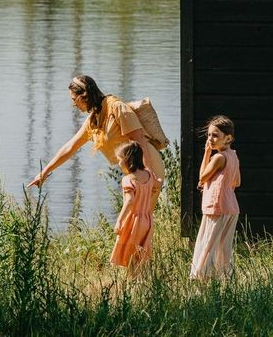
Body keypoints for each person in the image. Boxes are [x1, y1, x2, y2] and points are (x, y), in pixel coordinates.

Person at [27, 75, 165, 190]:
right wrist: (44, 173)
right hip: (134, 171)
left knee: (138, 218)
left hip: (148, 165)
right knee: (135, 220)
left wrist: (149, 175)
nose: (74, 104)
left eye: (74, 99)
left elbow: (139, 140)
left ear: (84, 95)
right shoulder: (94, 121)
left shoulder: (116, 107)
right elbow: (70, 148)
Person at [189, 115, 240, 282]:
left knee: (208, 245)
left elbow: (203, 177)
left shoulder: (218, 157)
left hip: (216, 206)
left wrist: (206, 153)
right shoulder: (233, 156)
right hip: (231, 207)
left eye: (215, 135)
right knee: (224, 248)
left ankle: (200, 279)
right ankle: (225, 279)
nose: (210, 139)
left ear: (228, 138)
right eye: (209, 135)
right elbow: (236, 181)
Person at [110, 141, 162, 274]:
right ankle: (140, 278)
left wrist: (119, 220)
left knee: (129, 251)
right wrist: (154, 190)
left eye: (120, 160)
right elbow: (158, 183)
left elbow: (129, 201)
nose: (119, 163)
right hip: (147, 219)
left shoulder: (128, 180)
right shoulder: (149, 174)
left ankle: (131, 280)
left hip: (133, 221)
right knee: (141, 251)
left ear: (127, 160)